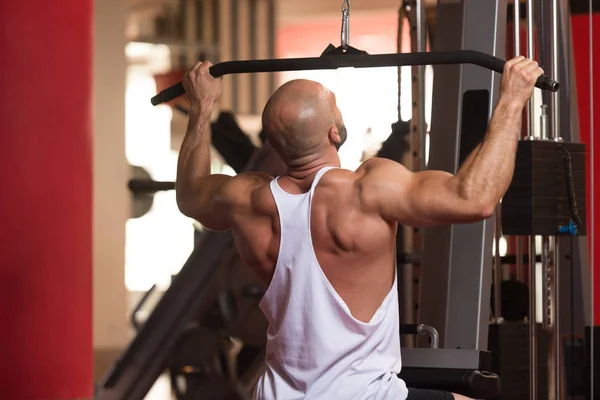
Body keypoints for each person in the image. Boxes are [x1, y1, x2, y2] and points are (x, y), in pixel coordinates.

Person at [176, 56, 544, 400]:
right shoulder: (367, 188)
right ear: (334, 133)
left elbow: (190, 195)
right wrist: (513, 99)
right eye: (335, 104)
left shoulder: (245, 199)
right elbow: (475, 198)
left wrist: (201, 106)